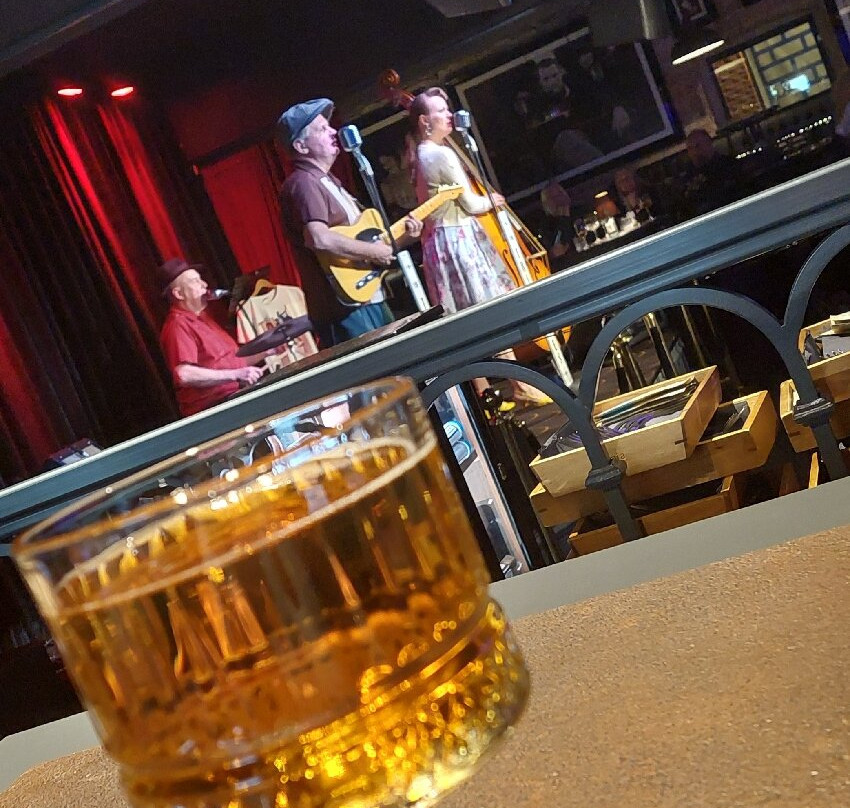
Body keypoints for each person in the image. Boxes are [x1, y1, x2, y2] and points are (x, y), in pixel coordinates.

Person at [408, 87, 551, 405]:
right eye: (440, 111)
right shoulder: (441, 154)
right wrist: (492, 201)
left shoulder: (419, 156)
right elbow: (471, 204)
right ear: (424, 121)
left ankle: (484, 393)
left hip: (439, 244)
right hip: (459, 240)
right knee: (488, 310)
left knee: (461, 322)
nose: (448, 115)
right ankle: (519, 384)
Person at [277, 98, 422, 348]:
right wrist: (373, 252)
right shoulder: (303, 183)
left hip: (366, 297)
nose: (333, 132)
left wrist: (406, 236)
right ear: (300, 146)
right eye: (322, 129)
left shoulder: (328, 181)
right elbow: (318, 237)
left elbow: (365, 241)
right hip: (345, 309)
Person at [158, 258, 264, 417]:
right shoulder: (178, 325)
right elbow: (184, 374)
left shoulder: (205, 318)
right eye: (195, 281)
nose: (204, 285)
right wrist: (236, 374)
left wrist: (267, 351)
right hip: (215, 409)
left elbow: (234, 364)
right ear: (179, 293)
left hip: (234, 397)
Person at [683, 128, 739, 214]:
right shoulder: (688, 177)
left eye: (698, 146)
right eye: (690, 148)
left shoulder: (729, 165)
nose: (694, 152)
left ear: (709, 143)